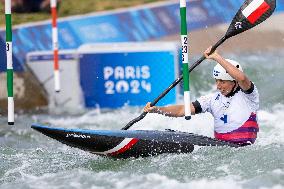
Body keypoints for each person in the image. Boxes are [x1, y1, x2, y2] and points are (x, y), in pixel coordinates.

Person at [144, 46, 259, 146]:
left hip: (245, 148)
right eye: (216, 81)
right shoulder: (212, 99)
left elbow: (242, 78)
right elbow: (182, 110)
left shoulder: (249, 96)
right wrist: (158, 109)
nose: (218, 86)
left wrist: (216, 57)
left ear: (234, 82)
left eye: (222, 81)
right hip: (222, 149)